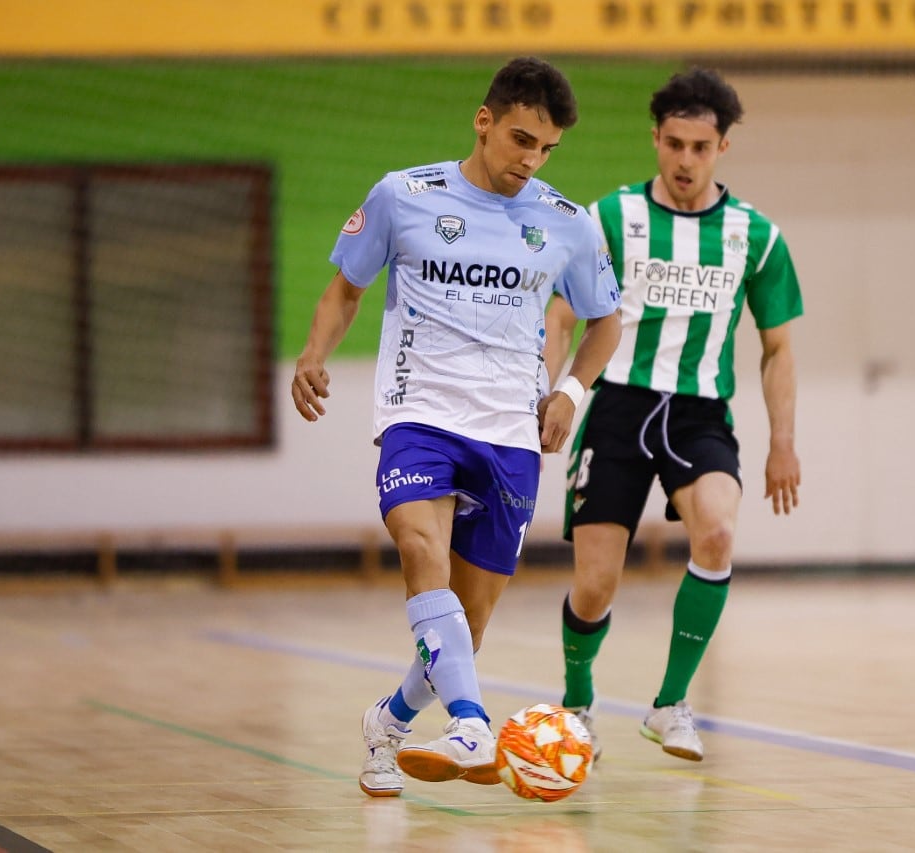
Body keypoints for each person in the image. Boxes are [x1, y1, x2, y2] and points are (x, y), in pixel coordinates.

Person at [291, 56, 622, 797]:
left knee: (467, 623)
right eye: (519, 139)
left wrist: (570, 388)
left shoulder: (567, 223)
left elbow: (607, 320)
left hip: (510, 429)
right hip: (419, 414)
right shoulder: (402, 195)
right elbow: (345, 290)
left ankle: (390, 717)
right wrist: (315, 354)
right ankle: (473, 723)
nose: (530, 161)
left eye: (546, 149)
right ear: (483, 119)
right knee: (419, 547)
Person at [544, 68, 802, 762]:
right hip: (618, 405)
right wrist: (559, 391)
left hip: (699, 413)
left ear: (723, 148)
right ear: (655, 139)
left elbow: (778, 347)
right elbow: (563, 313)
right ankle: (576, 701)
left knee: (717, 531)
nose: (686, 160)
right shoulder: (610, 217)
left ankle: (670, 704)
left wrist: (783, 440)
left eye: (701, 147)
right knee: (595, 584)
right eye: (675, 144)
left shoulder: (757, 235)